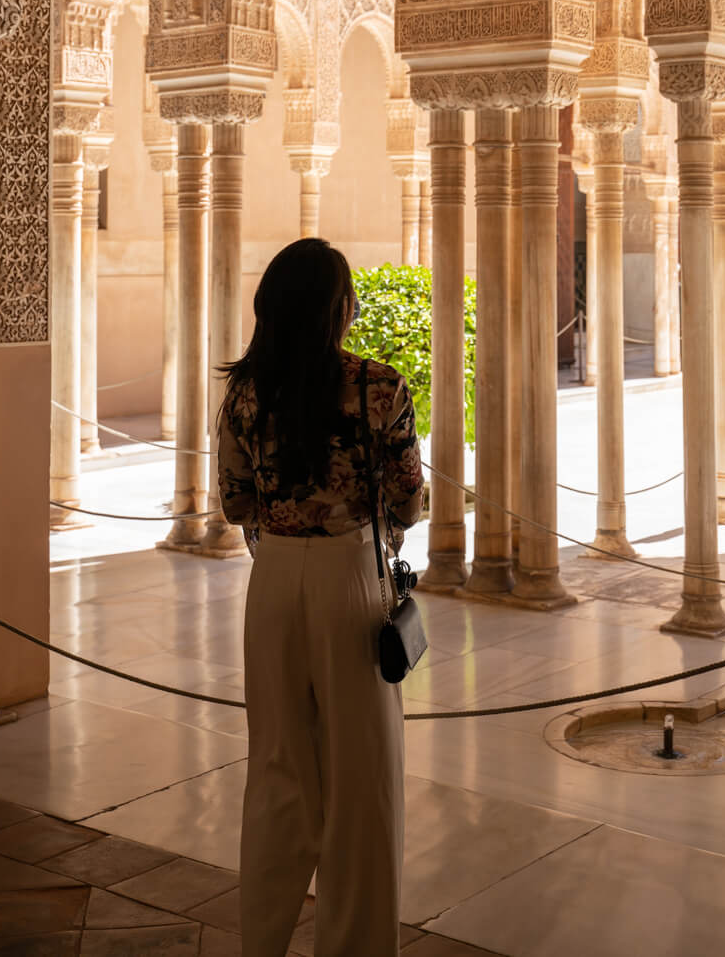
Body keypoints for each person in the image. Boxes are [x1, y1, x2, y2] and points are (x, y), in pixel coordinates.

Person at [217, 238, 424, 957]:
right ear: (340, 307)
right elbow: (411, 498)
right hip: (348, 581)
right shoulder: (378, 387)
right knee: (362, 779)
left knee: (277, 769)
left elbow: (234, 500)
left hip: (271, 584)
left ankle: (263, 941)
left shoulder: (246, 391)